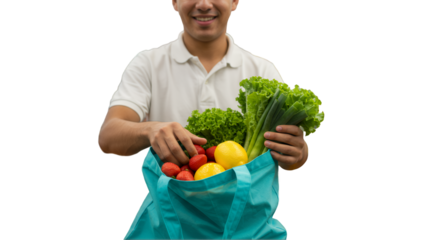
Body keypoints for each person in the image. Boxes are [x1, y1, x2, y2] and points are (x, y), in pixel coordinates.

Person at [96, 0, 310, 171]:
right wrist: (150, 129)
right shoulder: (147, 64)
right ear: (174, 2)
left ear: (235, 1)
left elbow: (294, 158)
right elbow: (107, 137)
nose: (204, 4)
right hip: (173, 217)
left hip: (247, 218)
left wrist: (298, 154)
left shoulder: (263, 70)